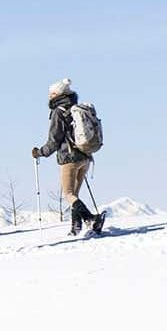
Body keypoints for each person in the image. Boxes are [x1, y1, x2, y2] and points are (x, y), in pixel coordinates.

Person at [32, 78, 106, 235]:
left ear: (58, 94)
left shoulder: (58, 112)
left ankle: (90, 218)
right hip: (85, 156)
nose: (49, 96)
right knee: (75, 195)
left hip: (69, 158)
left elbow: (54, 140)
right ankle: (75, 228)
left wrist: (40, 152)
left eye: (51, 93)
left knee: (68, 194)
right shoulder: (76, 109)